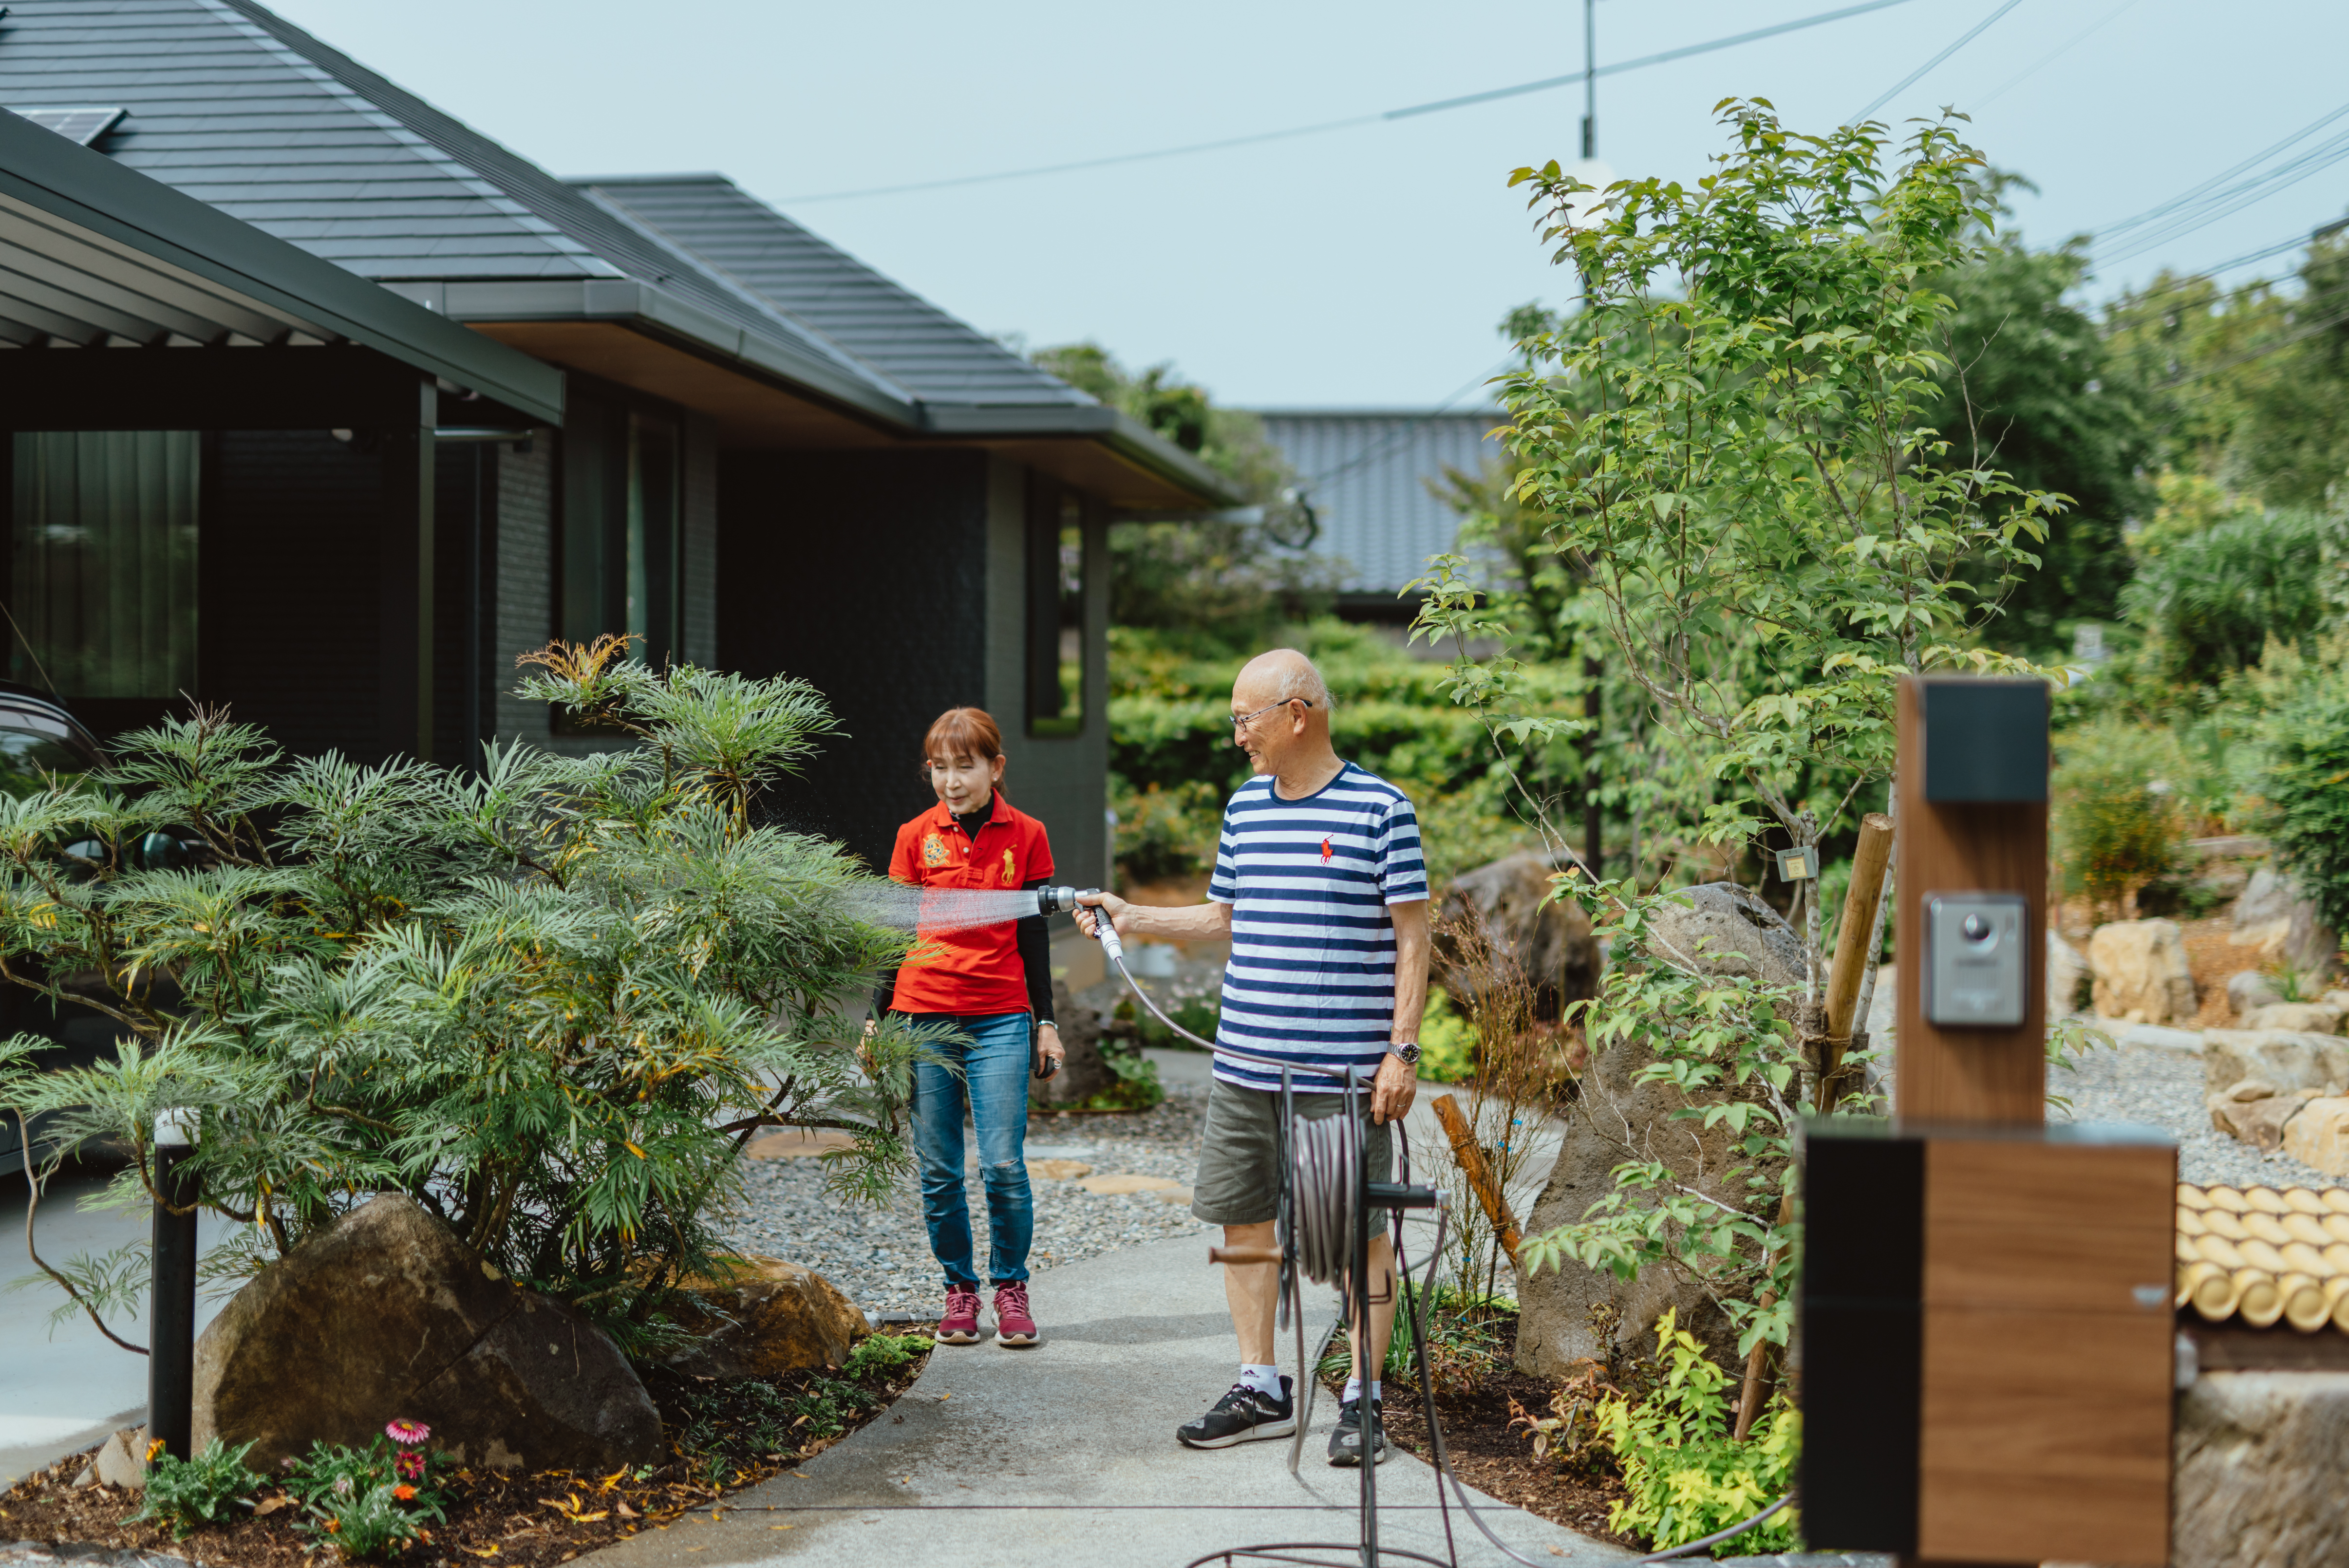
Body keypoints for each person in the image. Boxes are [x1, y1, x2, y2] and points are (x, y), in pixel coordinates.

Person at [1077, 650, 1428, 1467]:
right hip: (1243, 1068)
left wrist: (1401, 1052)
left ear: (1296, 714)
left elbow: (1415, 937)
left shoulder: (1382, 809)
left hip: (1339, 1077)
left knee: (1355, 1237)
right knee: (1244, 1223)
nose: (1238, 737)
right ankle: (1260, 1383)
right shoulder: (1245, 808)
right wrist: (1132, 916)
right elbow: (1226, 915)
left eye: (1246, 719)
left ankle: (1361, 1399)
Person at [874, 707, 1066, 1348]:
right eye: (940, 768)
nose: (951, 781)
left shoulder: (1028, 835)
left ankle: (1011, 1289)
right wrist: (879, 1021)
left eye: (965, 767)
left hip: (1001, 1019)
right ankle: (960, 1291)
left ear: (995, 768)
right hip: (924, 1014)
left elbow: (1034, 934)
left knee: (1005, 1165)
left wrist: (1047, 1022)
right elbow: (895, 932)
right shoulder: (913, 834)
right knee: (939, 1170)